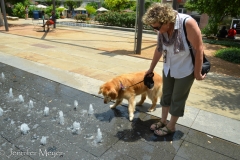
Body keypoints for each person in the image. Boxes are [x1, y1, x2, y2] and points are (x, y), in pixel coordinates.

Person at [142, 3, 205, 136]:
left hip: (185, 69)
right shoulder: (161, 30)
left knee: (177, 98)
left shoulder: (187, 23)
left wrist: (198, 72)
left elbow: (199, 49)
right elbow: (159, 48)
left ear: (167, 21)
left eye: (158, 27)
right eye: (153, 27)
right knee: (166, 95)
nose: (157, 30)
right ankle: (163, 120)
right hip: (169, 67)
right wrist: (151, 69)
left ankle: (171, 125)